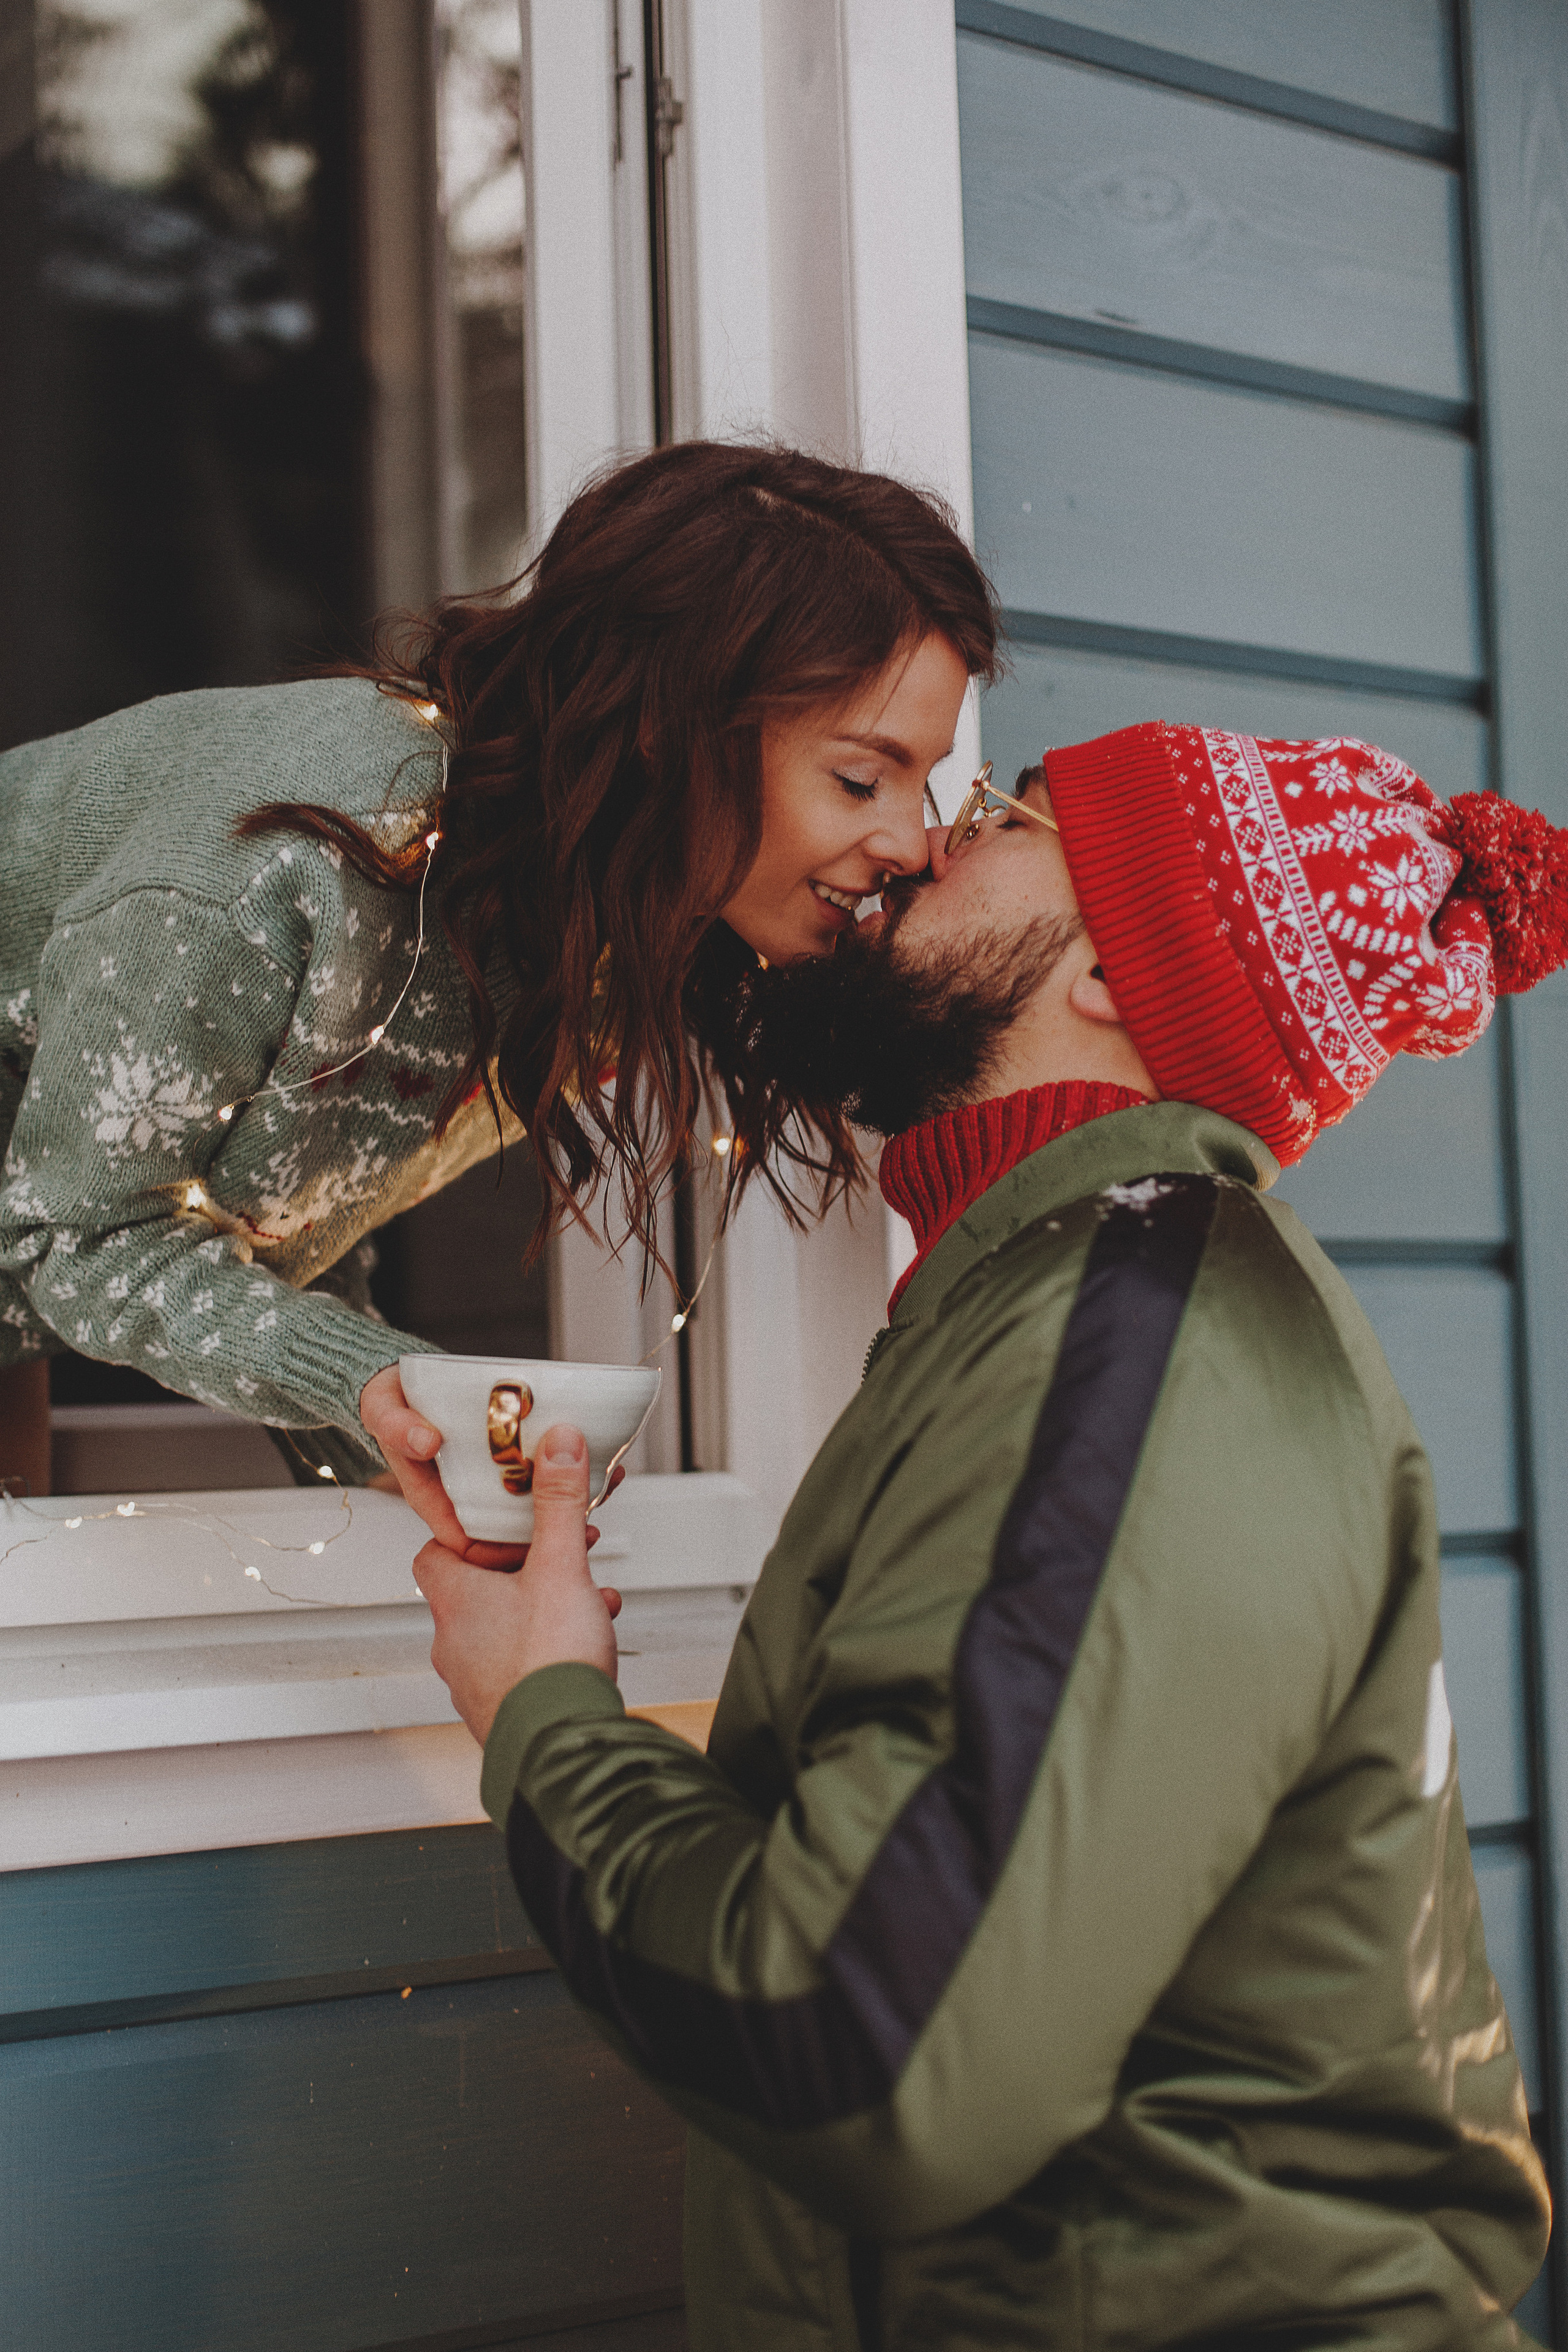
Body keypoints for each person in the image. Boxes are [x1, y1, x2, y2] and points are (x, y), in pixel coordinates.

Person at [415, 722, 1564, 2348]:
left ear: (1113, 965)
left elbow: (884, 2052)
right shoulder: (1057, 1306)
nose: (923, 846)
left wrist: (544, 1726)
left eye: (1007, 817)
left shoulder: (1134, 1343)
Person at [0, 441, 995, 1526]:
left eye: (925, 778)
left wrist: (405, 1455)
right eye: (861, 777)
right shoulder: (274, 866)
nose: (911, 837)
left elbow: (280, 1202)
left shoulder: (578, 935)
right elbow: (79, 1233)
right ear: (667, 726)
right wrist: (382, 1387)